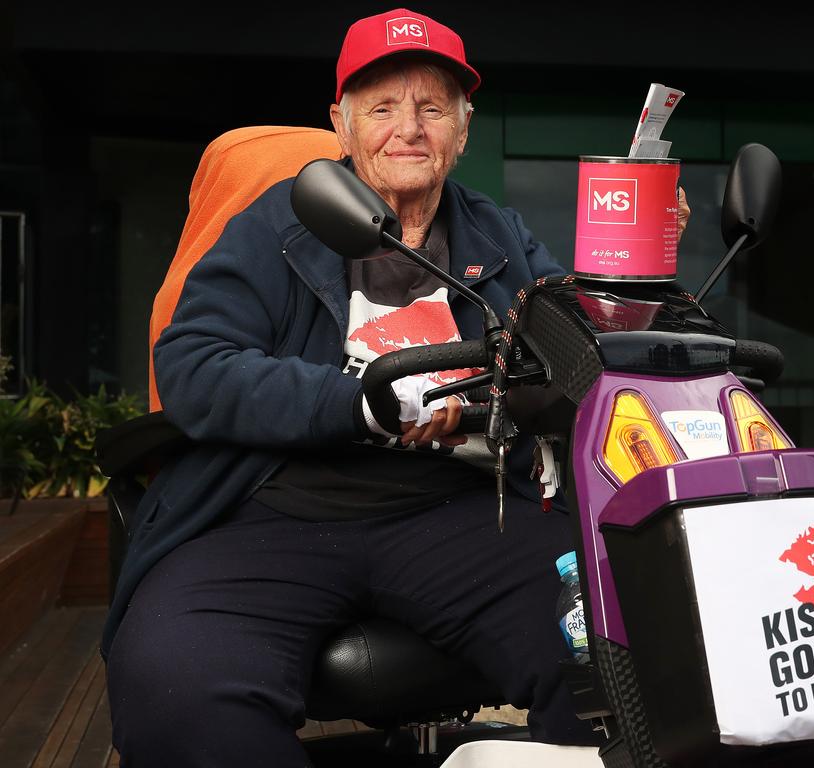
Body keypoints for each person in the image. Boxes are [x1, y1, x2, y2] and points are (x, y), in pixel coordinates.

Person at [104, 8, 689, 766]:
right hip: (272, 506)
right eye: (382, 107)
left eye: (432, 107)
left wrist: (636, 281)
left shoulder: (500, 238)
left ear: (463, 129)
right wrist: (355, 404)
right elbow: (193, 366)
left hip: (458, 509)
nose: (408, 128)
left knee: (631, 651)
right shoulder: (270, 228)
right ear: (341, 128)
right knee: (177, 693)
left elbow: (578, 358)